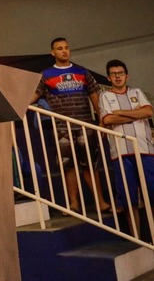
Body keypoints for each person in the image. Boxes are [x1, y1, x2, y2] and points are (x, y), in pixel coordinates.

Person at [31, 37, 111, 214]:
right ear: (53, 52)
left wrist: (101, 120)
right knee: (68, 166)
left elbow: (95, 97)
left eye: (66, 48)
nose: (64, 51)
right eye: (59, 48)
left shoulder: (82, 71)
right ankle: (74, 204)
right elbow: (33, 96)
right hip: (62, 127)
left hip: (85, 125)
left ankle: (101, 202)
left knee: (90, 165)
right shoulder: (46, 74)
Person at [99, 60, 154, 230]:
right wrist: (136, 114)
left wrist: (121, 112)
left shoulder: (137, 92)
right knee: (130, 200)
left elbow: (148, 111)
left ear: (127, 75)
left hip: (145, 150)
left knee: (152, 195)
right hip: (121, 154)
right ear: (109, 77)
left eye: (120, 73)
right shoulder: (105, 96)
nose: (118, 77)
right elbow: (108, 119)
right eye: (114, 74)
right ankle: (137, 239)